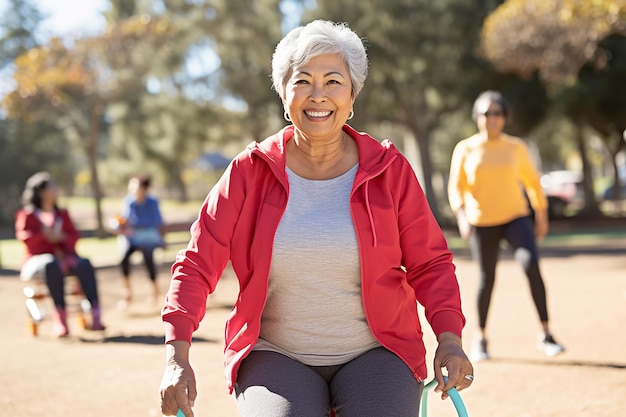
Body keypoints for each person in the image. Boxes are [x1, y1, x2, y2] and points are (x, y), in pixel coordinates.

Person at [160, 20, 473, 417]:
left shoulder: (390, 170)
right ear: (285, 94)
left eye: (333, 81)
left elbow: (430, 265)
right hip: (275, 356)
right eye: (303, 80)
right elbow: (197, 263)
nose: (318, 95)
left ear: (353, 94)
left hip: (378, 352)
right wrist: (177, 355)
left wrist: (449, 339)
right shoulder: (248, 171)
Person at [447, 90, 565, 362]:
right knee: (486, 279)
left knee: (531, 264)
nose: (492, 118)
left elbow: (533, 183)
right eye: (487, 113)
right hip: (481, 221)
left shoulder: (516, 148)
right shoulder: (465, 149)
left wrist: (541, 214)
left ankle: (546, 334)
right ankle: (481, 338)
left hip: (515, 218)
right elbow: (457, 187)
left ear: (505, 118)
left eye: (498, 113)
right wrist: (462, 217)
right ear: (477, 116)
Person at [15, 171, 105, 337]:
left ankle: (96, 313)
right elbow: (25, 238)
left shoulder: (62, 214)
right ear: (41, 192)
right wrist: (45, 234)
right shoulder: (27, 215)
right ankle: (60, 318)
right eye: (52, 187)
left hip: (65, 259)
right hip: (37, 262)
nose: (56, 190)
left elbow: (74, 236)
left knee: (85, 263)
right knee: (51, 263)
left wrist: (61, 237)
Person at [112, 174, 164, 308]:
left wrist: (136, 223)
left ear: (143, 188)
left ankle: (154, 292)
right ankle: (127, 292)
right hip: (133, 240)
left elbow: (157, 221)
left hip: (148, 240)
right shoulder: (129, 201)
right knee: (123, 259)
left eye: (135, 185)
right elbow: (124, 219)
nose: (132, 188)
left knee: (148, 257)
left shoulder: (152, 202)